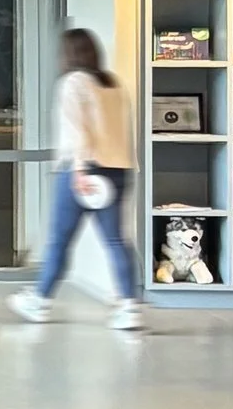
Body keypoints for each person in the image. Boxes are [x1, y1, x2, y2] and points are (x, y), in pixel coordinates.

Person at [9, 26, 145, 330]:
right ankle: (129, 306)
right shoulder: (113, 85)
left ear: (68, 54)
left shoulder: (72, 83)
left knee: (60, 240)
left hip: (82, 169)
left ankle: (39, 300)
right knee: (116, 240)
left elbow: (77, 130)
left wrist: (81, 170)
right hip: (119, 169)